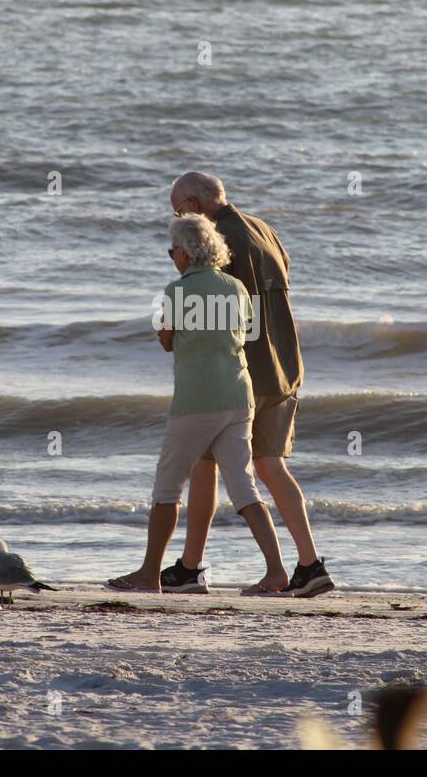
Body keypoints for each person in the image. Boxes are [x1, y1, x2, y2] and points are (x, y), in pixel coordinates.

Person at [159, 171, 335, 598]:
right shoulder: (263, 228)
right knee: (270, 465)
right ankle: (309, 564)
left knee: (206, 466)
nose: (179, 220)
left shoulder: (222, 237)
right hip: (285, 363)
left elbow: (217, 307)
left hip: (245, 373)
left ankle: (191, 567)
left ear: (195, 205)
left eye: (178, 210)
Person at [107, 214, 289, 594]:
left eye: (172, 250)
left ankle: (149, 575)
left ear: (187, 253)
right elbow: (246, 332)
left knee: (167, 487)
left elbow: (167, 340)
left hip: (197, 400)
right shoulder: (237, 288)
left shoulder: (177, 292)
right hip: (239, 397)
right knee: (244, 488)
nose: (170, 256)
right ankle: (276, 571)